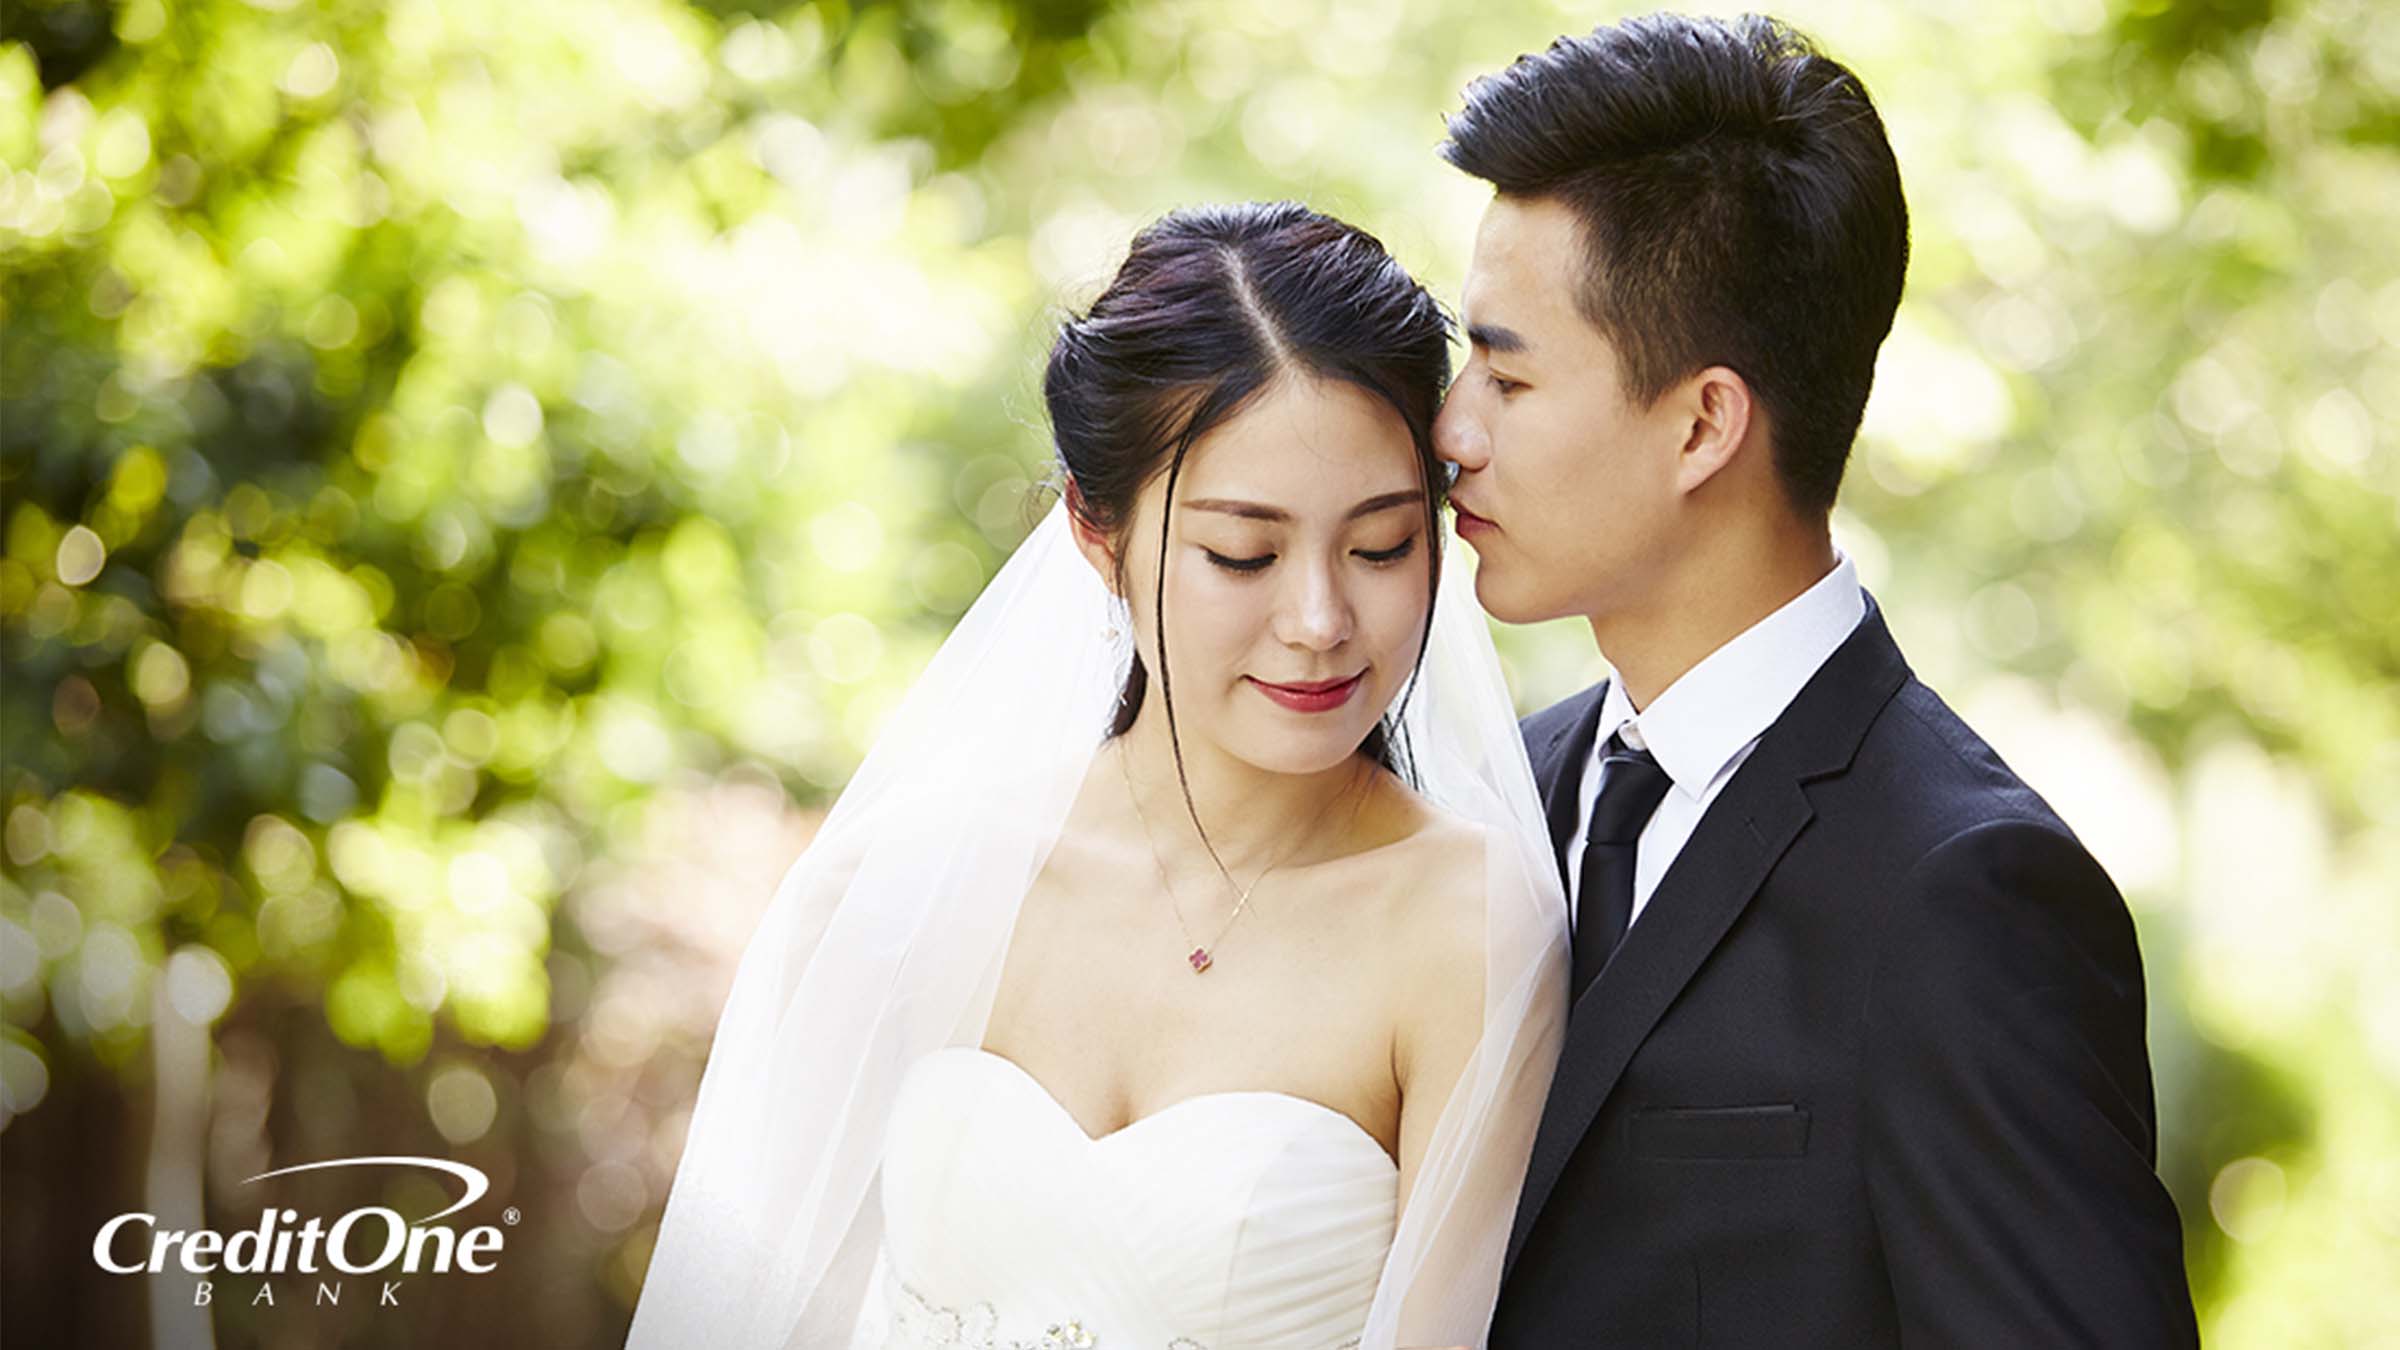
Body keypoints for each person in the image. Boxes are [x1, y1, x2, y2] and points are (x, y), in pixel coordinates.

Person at [625, 202, 1569, 1350]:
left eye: (1381, 545)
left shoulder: (1467, 925)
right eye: (1243, 554)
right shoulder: (904, 886)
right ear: (1094, 527)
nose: (1321, 620)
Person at [1433, 14, 2201, 1346]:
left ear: (1703, 422)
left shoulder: (1967, 894)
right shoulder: (1500, 785)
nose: (1450, 427)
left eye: (1505, 372)